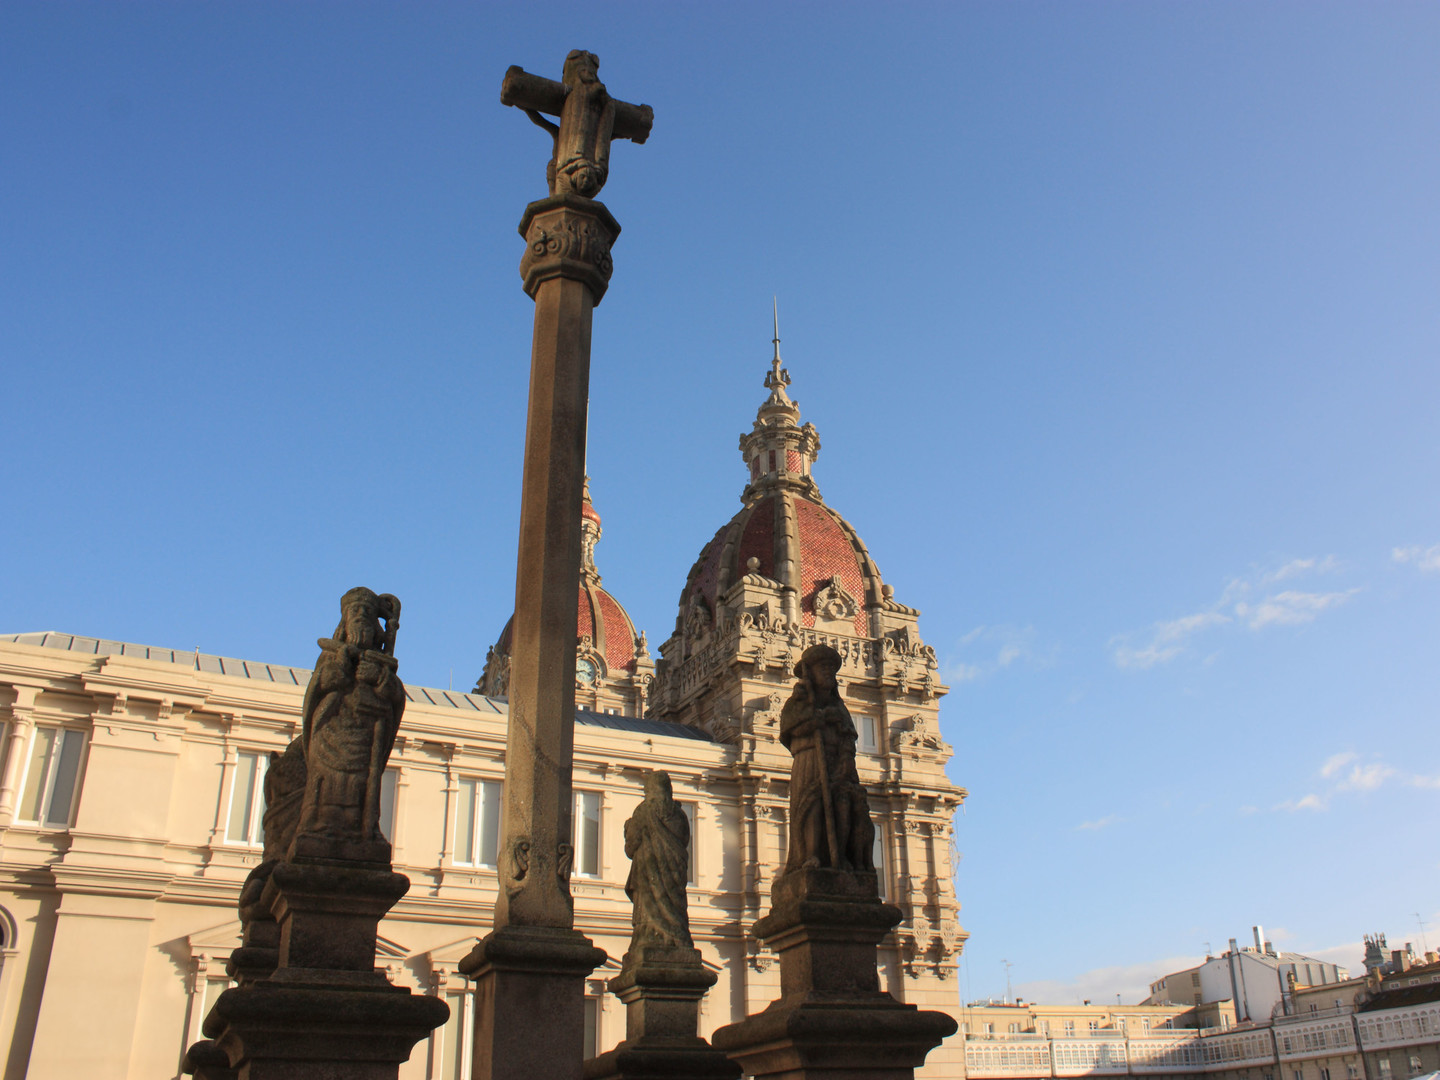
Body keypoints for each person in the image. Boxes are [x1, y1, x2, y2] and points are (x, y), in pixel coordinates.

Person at [780, 643, 875, 874]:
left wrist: (845, 756)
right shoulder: (798, 702)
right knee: (812, 805)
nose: (827, 672)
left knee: (840, 806)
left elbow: (850, 734)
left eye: (831, 669)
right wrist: (819, 719)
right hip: (810, 760)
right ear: (810, 672)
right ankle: (810, 854)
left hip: (837, 762)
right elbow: (790, 729)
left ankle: (839, 856)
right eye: (822, 667)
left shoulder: (838, 706)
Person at [623, 771, 693, 951]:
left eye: (646, 790)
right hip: (675, 879)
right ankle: (677, 936)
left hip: (648, 878)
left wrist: (628, 828)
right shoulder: (680, 815)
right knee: (676, 912)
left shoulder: (643, 811)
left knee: (648, 923)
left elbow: (631, 847)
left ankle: (651, 934)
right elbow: (684, 841)